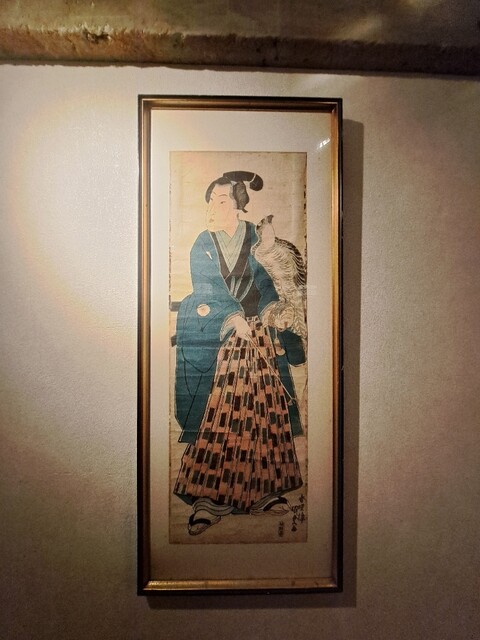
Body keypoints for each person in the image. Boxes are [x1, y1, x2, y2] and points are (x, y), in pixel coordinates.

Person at [173, 170, 306, 535]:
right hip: (223, 336)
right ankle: (209, 498)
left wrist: (272, 311)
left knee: (262, 413)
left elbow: (265, 285)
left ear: (238, 205)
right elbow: (206, 286)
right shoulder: (203, 242)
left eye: (221, 201)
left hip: (258, 335)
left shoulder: (255, 240)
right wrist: (232, 317)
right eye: (210, 202)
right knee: (222, 415)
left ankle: (263, 492)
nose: (212, 208)